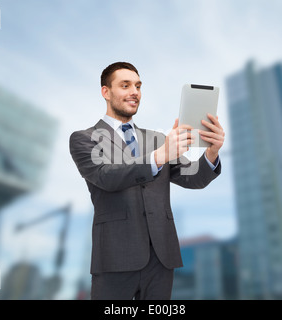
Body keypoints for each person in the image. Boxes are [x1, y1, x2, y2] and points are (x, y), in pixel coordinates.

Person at [69, 62, 224, 300]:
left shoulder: (159, 139)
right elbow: (105, 176)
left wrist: (212, 152)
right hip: (115, 258)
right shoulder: (84, 139)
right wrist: (160, 156)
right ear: (105, 92)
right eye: (125, 85)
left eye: (138, 86)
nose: (135, 92)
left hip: (161, 260)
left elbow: (194, 178)